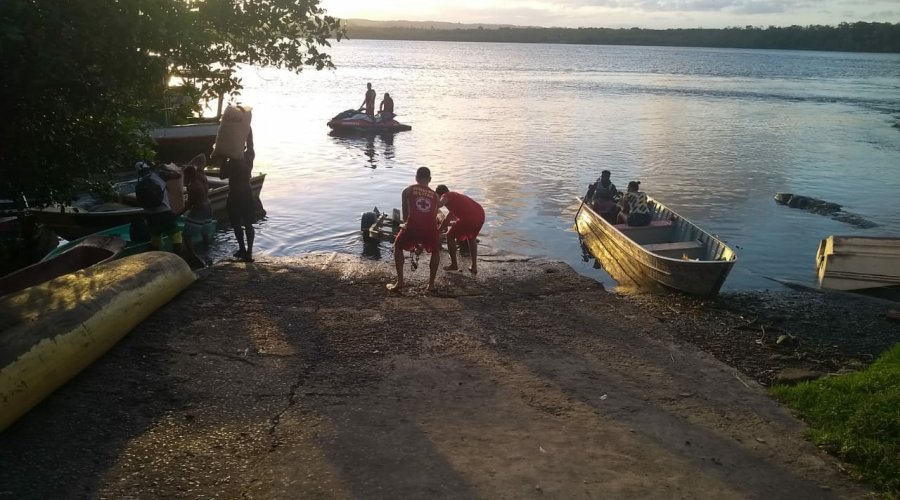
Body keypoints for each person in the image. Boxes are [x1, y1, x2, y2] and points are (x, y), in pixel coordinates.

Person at [388, 167, 441, 292]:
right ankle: (431, 284)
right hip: (430, 227)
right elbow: (434, 214)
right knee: (436, 251)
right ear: (430, 179)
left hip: (413, 225)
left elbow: (405, 215)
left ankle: (400, 281)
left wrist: (407, 225)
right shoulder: (436, 195)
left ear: (416, 178)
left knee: (398, 246)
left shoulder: (407, 190)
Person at [214, 127, 256, 262]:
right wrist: (247, 128)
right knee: (248, 223)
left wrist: (223, 158)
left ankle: (243, 249)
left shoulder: (231, 161)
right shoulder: (249, 156)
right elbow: (251, 143)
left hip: (235, 194)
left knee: (236, 223)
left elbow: (221, 176)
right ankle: (248, 252)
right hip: (247, 193)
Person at [134, 161, 183, 253]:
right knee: (176, 235)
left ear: (138, 173)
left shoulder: (138, 185)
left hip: (150, 216)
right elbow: (178, 175)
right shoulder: (159, 175)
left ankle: (154, 257)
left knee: (156, 238)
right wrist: (166, 167)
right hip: (165, 213)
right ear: (148, 168)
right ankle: (178, 257)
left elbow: (140, 202)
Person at [435, 185, 485, 275]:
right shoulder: (455, 198)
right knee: (471, 238)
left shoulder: (446, 195)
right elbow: (447, 220)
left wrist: (432, 199)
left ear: (439, 194)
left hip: (469, 217)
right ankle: (474, 266)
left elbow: (440, 204)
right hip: (480, 215)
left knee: (449, 236)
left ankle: (454, 264)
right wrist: (438, 231)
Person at [179, 154, 212, 268]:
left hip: (200, 209)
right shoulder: (201, 175)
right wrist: (190, 163)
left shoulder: (192, 186)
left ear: (188, 176)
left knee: (186, 235)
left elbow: (189, 204)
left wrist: (177, 214)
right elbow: (203, 156)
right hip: (208, 206)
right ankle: (207, 251)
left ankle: (192, 256)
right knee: (205, 232)